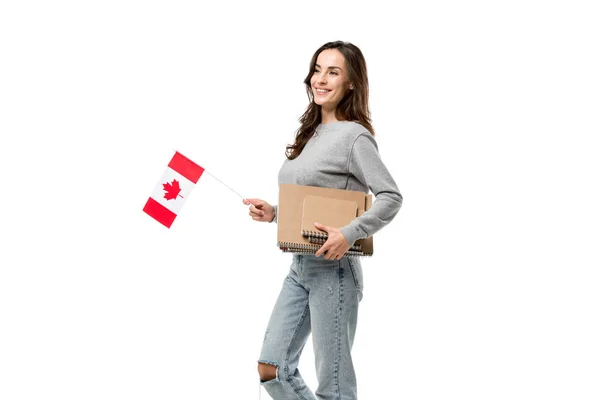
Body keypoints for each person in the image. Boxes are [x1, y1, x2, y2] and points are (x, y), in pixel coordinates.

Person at [242, 40, 402, 400]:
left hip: (335, 270)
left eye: (333, 71)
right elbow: (318, 202)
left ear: (351, 83)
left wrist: (349, 233)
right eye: (317, 69)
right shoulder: (311, 134)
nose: (321, 79)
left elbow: (391, 197)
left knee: (335, 386)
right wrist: (275, 214)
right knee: (272, 368)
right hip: (300, 268)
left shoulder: (355, 137)